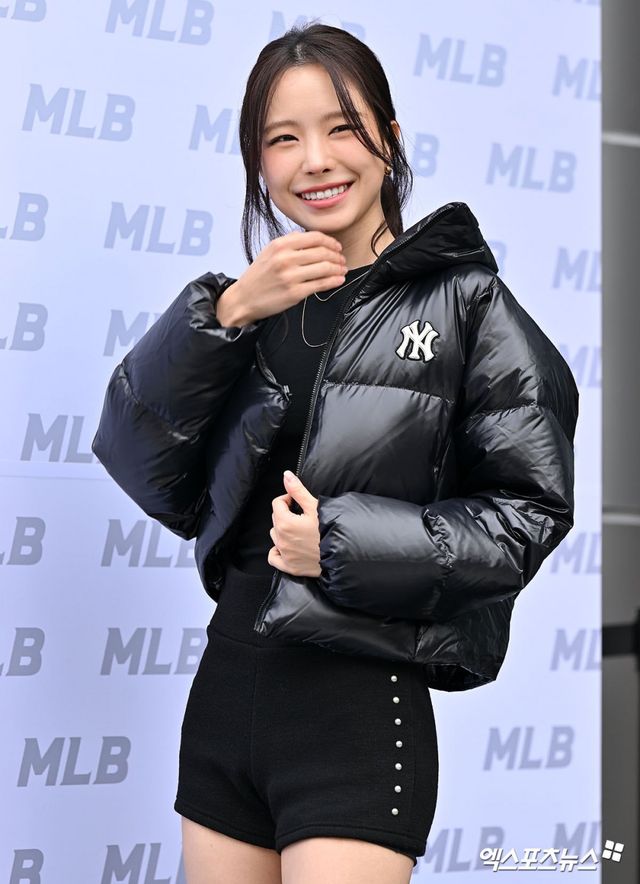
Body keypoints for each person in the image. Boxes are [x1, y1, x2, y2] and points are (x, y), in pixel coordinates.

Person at [91, 21, 579, 884]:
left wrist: (342, 543)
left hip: (356, 710)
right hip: (227, 695)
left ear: (390, 137)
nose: (314, 160)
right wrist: (224, 314)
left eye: (342, 128)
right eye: (282, 139)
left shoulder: (469, 305)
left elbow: (528, 510)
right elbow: (147, 470)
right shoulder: (248, 306)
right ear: (257, 162)